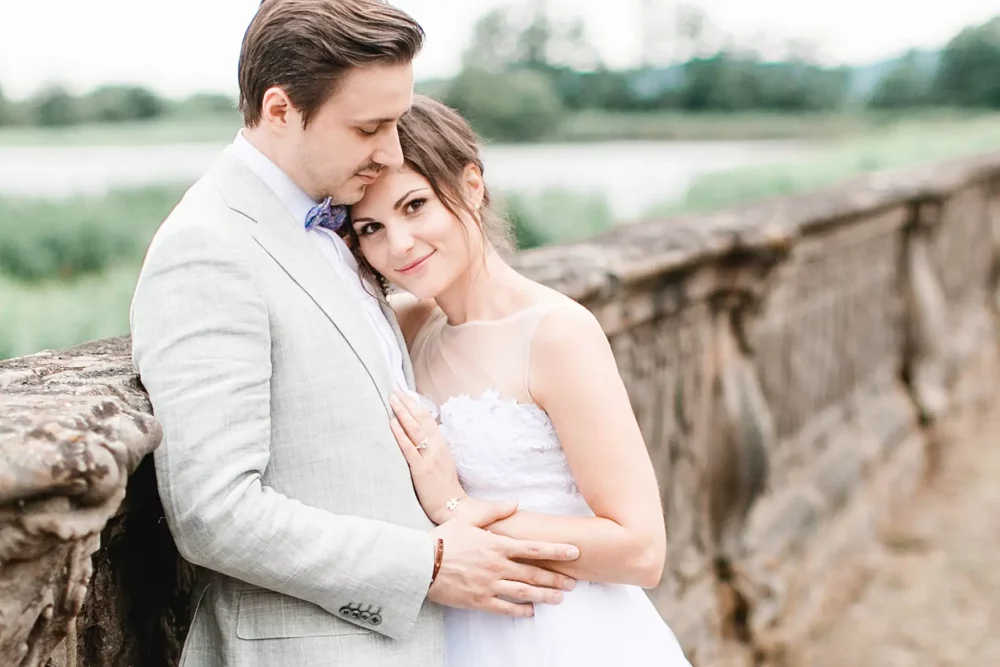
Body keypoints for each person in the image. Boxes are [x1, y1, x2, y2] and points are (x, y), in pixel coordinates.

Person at [129, 2, 581, 666]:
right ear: (280, 110)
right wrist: (426, 564)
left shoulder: (341, 226)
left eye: (397, 121)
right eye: (369, 127)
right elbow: (214, 512)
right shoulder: (208, 247)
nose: (393, 151)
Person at [347, 95, 694, 666]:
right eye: (371, 228)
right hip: (451, 632)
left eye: (415, 206)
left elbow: (640, 550)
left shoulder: (556, 333)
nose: (398, 244)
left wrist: (455, 508)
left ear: (472, 185)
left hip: (561, 632)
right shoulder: (404, 326)